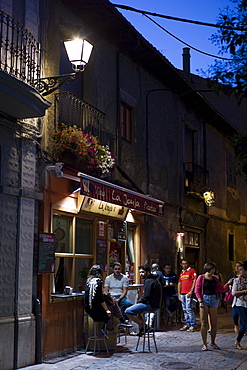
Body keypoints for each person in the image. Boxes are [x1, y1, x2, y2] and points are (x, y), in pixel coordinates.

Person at [195, 262, 233, 351]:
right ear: (210, 269)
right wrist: (200, 300)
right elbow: (197, 290)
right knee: (204, 323)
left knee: (214, 323)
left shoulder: (215, 279)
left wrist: (228, 283)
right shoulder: (201, 278)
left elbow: (222, 288)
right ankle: (204, 344)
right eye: (213, 269)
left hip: (213, 300)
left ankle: (212, 341)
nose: (214, 270)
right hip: (204, 299)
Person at [125, 263, 162, 336]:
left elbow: (146, 296)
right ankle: (144, 327)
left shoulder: (149, 281)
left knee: (128, 311)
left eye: (142, 272)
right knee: (136, 310)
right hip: (152, 304)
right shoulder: (151, 280)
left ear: (147, 272)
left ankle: (143, 326)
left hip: (151, 305)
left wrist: (138, 302)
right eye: (140, 272)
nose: (141, 274)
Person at [84, 265, 112, 337]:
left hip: (87, 308)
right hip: (95, 309)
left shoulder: (88, 281)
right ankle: (104, 328)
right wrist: (106, 310)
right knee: (110, 310)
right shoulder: (98, 282)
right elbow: (100, 298)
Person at [178, 258, 197, 332]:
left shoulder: (192, 271)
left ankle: (193, 325)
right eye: (183, 264)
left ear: (188, 264)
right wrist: (179, 293)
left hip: (188, 292)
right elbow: (180, 282)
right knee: (184, 309)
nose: (184, 265)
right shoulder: (181, 273)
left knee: (189, 309)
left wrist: (191, 291)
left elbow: (194, 280)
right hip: (182, 293)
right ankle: (187, 323)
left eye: (185, 263)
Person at [232, 261, 247, 350]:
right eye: (239, 270)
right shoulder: (236, 280)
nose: (240, 272)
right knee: (246, 322)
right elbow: (234, 293)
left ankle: (237, 341)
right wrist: (245, 292)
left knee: (243, 326)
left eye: (242, 270)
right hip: (240, 304)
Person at [228, 261, 244, 333]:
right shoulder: (234, 277)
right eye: (236, 266)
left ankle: (242, 329)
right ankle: (235, 325)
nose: (237, 268)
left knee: (243, 315)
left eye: (239, 266)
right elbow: (233, 292)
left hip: (243, 300)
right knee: (235, 314)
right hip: (236, 299)